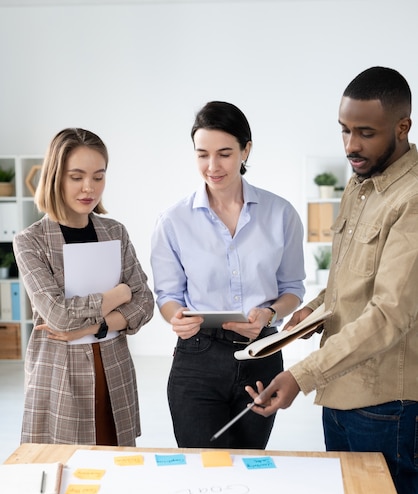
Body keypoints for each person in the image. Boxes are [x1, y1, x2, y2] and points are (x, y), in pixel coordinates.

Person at [246, 67, 418, 494]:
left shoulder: (413, 198)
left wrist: (302, 375)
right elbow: (347, 283)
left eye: (366, 133)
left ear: (402, 127)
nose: (351, 146)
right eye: (345, 130)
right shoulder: (359, 186)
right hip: (340, 395)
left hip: (387, 407)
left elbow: (389, 315)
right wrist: (310, 315)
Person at [151, 101, 305, 449]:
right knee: (204, 469)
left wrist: (271, 313)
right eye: (202, 154)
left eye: (224, 153)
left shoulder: (281, 214)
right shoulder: (173, 221)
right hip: (197, 358)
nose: (212, 166)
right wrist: (176, 318)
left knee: (249, 467)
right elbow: (167, 296)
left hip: (262, 354)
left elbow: (293, 289)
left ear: (245, 150)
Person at [13, 128, 154, 446]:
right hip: (61, 373)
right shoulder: (30, 241)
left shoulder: (114, 231)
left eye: (98, 177)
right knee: (67, 472)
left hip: (113, 367)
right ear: (55, 177)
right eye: (76, 177)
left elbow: (145, 302)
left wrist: (93, 326)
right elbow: (58, 315)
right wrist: (118, 295)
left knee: (117, 465)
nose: (89, 188)